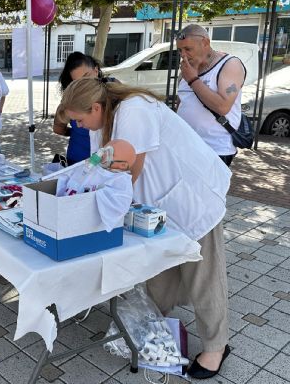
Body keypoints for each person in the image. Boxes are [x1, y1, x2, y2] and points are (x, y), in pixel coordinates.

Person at [58, 78, 232, 380]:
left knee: (203, 276)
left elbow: (130, 171)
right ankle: (152, 326)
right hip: (157, 206)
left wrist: (100, 210)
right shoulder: (103, 121)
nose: (80, 127)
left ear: (96, 107)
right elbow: (100, 167)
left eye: (79, 120)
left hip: (191, 198)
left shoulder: (134, 110)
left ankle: (216, 346)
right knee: (158, 269)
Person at [176, 24, 246, 167]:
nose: (183, 55)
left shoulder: (230, 65)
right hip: (186, 145)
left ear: (205, 43)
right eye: (180, 50)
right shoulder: (186, 69)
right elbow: (182, 103)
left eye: (188, 49)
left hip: (215, 148)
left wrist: (193, 80)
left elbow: (223, 106)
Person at [53, 52, 108, 165]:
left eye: (87, 76)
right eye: (78, 82)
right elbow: (58, 128)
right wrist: (77, 131)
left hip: (102, 162)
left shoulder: (111, 90)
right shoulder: (72, 99)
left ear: (96, 71)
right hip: (77, 160)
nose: (85, 84)